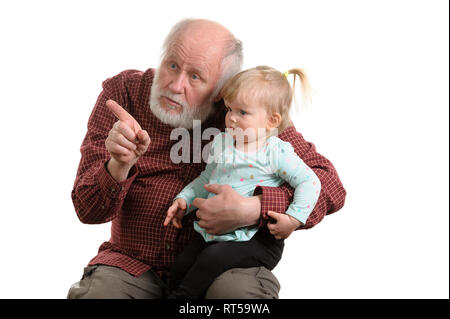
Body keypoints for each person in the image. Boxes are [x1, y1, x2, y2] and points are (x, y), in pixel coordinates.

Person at [68, 18, 347, 299]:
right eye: (172, 65)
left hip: (226, 262)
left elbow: (328, 185)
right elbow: (87, 210)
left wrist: (255, 208)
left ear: (221, 90)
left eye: (195, 77)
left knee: (239, 296)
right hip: (132, 264)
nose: (176, 86)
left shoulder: (248, 111)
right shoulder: (125, 94)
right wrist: (119, 164)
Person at [164, 66, 322, 298]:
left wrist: (294, 219)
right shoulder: (223, 142)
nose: (231, 118)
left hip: (256, 239)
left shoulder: (275, 151)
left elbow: (310, 182)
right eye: (229, 109)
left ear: (271, 120)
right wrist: (184, 200)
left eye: (243, 112)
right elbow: (208, 178)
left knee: (208, 263)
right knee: (180, 265)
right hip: (215, 235)